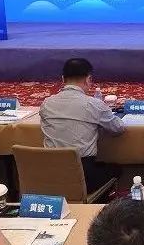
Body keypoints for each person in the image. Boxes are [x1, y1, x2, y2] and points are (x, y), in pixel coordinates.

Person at [41, 58, 125, 192]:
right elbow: (118, 128)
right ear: (88, 79)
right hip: (82, 174)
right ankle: (98, 203)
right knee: (115, 169)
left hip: (50, 173)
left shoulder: (46, 103)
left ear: (63, 79)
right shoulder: (94, 104)